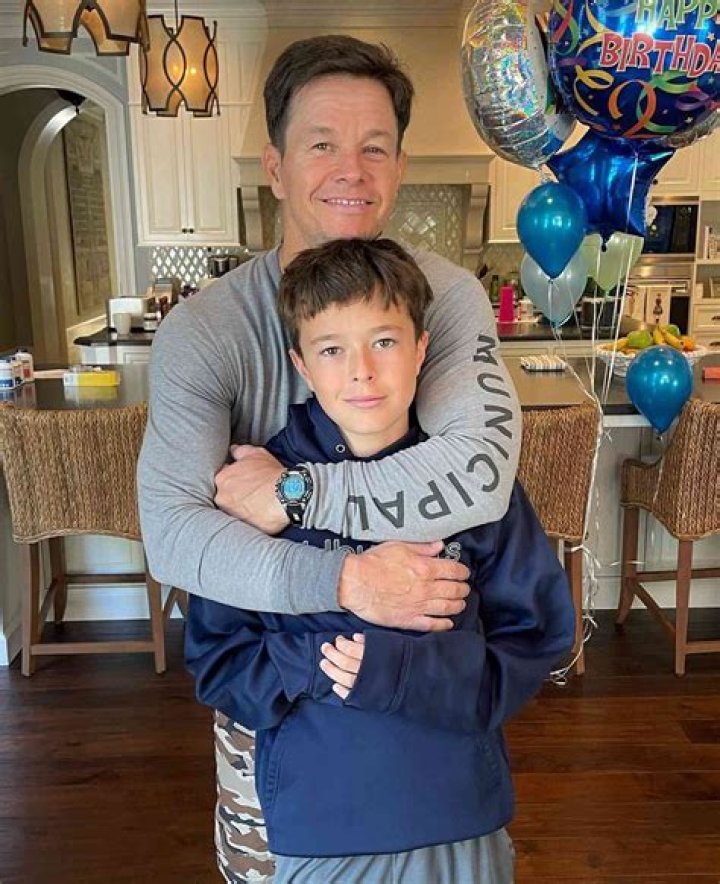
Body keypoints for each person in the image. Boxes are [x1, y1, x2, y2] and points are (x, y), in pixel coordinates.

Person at [138, 35, 522, 882]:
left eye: (374, 147)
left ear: (400, 166)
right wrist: (346, 582)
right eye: (322, 144)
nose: (351, 169)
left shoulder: (448, 299)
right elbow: (173, 535)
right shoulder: (206, 332)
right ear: (275, 167)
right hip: (282, 703)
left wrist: (296, 494)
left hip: (429, 712)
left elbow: (480, 474)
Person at [185, 237, 576, 884]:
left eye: (385, 341)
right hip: (321, 827)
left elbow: (536, 640)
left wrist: (402, 671)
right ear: (301, 364)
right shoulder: (257, 492)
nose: (361, 371)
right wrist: (318, 661)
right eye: (331, 350)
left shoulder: (473, 485)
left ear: (422, 348)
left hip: (458, 815)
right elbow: (218, 660)